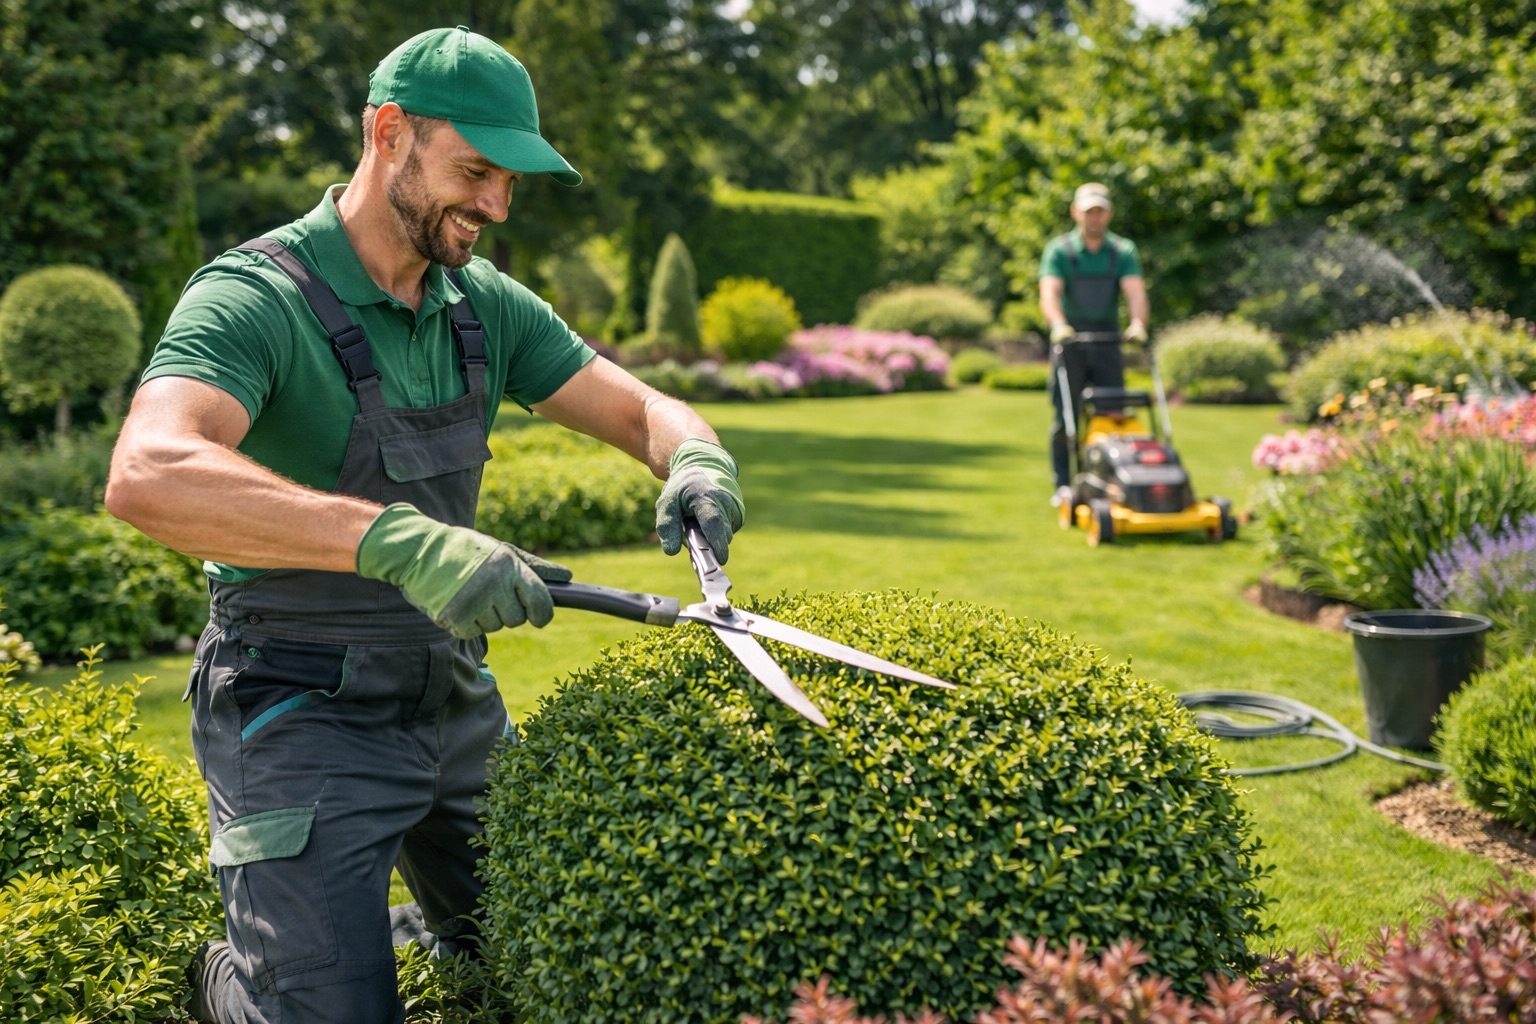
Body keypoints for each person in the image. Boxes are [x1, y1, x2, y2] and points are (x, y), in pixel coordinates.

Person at [105, 26, 744, 1024]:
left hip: (451, 696)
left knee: (571, 949)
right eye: (476, 169)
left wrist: (696, 456)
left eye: (510, 181)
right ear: (388, 132)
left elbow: (641, 410)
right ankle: (231, 977)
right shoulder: (255, 297)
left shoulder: (480, 306)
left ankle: (375, 926)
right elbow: (148, 473)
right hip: (296, 705)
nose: (494, 204)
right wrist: (397, 540)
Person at [1038, 182, 1151, 507]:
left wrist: (1138, 325)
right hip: (1069, 341)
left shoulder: (1122, 251)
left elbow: (1135, 293)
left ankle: (1109, 481)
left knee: (1113, 414)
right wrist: (1059, 324)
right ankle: (1063, 484)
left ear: (1109, 214)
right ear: (1076, 213)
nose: (1094, 218)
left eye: (1100, 212)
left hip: (1108, 340)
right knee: (1066, 419)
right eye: (1089, 212)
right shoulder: (1060, 250)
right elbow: (1049, 293)